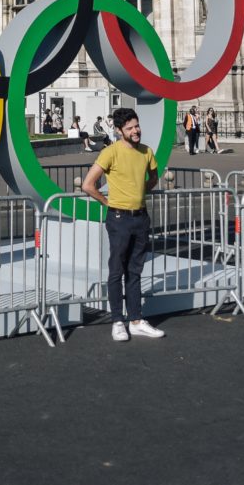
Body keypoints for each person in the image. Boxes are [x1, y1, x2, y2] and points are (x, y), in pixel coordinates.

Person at [81, 107, 166, 342]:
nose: (136, 130)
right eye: (130, 128)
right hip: (119, 218)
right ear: (119, 131)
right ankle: (118, 321)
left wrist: (139, 193)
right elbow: (88, 184)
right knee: (117, 270)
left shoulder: (146, 152)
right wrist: (107, 202)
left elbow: (154, 178)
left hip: (140, 217)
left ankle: (137, 320)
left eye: (136, 126)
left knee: (135, 271)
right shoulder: (111, 152)